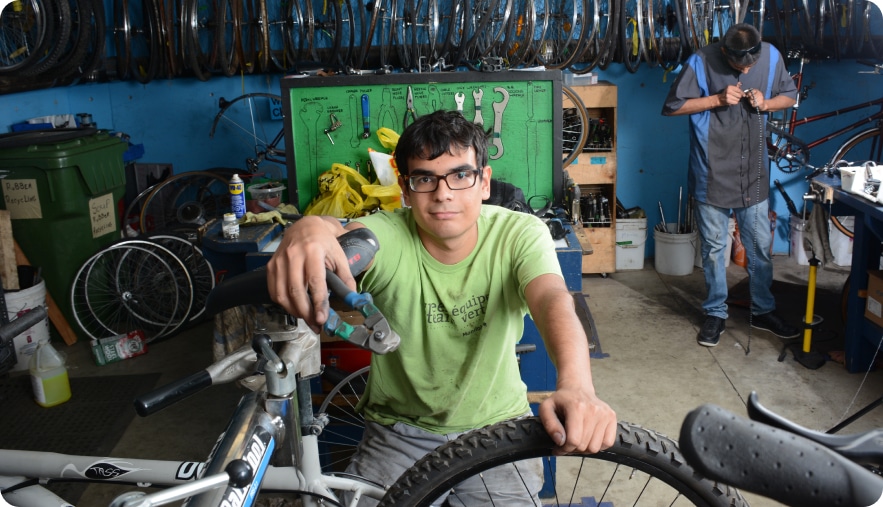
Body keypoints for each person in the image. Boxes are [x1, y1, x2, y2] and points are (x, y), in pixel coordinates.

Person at [267, 110, 617, 503]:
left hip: (498, 428)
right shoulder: (389, 234)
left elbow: (553, 299)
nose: (443, 193)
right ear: (405, 187)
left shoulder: (519, 234)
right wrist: (309, 228)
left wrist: (577, 385)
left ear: (484, 182)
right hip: (397, 431)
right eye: (424, 178)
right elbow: (342, 235)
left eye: (460, 175)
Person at [662, 24, 800, 347]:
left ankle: (763, 309)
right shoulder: (701, 61)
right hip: (711, 171)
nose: (749, 70)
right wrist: (715, 99)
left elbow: (789, 96)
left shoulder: (771, 56)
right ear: (726, 53)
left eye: (753, 64)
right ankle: (715, 313)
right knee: (713, 250)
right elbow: (672, 106)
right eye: (742, 67)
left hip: (752, 172)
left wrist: (766, 103)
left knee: (759, 248)